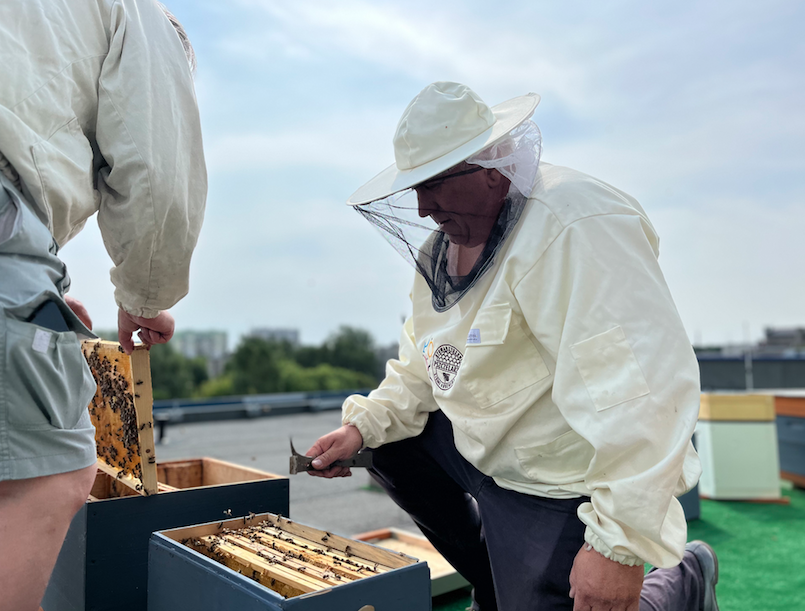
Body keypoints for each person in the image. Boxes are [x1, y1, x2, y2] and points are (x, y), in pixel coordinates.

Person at [306, 82, 719, 611]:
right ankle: (500, 583)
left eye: (434, 183)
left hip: (562, 478)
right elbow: (425, 361)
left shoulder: (576, 225)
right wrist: (360, 427)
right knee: (386, 442)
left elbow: (640, 390)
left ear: (491, 167)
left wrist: (618, 545)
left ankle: (683, 579)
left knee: (596, 599)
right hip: (484, 453)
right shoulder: (442, 249)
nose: (423, 206)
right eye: (415, 186)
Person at [0, 1, 206, 609]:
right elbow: (157, 172)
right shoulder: (138, 15)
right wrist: (145, 296)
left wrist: (46, 302)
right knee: (48, 475)